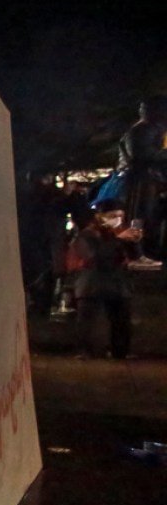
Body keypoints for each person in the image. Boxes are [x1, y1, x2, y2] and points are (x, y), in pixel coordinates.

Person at [71, 200, 141, 359]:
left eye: (120, 216)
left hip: (117, 282)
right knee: (87, 320)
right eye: (112, 216)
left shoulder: (118, 234)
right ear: (100, 216)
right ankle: (85, 350)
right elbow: (95, 257)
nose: (117, 220)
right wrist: (119, 240)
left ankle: (120, 350)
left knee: (121, 318)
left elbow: (133, 256)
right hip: (92, 282)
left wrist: (134, 242)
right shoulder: (87, 234)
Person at [117, 96, 167, 260]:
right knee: (139, 217)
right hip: (141, 181)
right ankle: (137, 251)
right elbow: (140, 154)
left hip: (150, 180)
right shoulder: (141, 130)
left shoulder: (151, 129)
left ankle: (144, 250)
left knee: (148, 217)